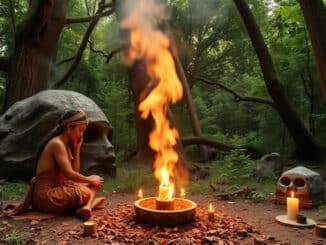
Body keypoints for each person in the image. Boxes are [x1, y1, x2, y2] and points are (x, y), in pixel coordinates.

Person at [3, 110, 104, 220]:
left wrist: (77, 148)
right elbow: (69, 174)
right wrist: (89, 181)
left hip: (58, 189)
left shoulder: (64, 145)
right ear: (70, 127)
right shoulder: (57, 143)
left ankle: (87, 206)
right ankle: (89, 204)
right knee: (87, 190)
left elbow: (75, 172)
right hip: (45, 197)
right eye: (81, 130)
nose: (81, 135)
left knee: (96, 178)